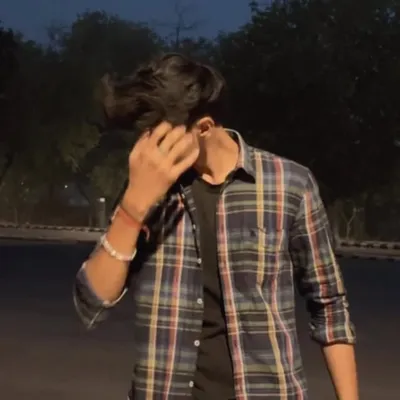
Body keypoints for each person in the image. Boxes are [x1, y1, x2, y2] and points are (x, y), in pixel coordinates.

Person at [73, 53, 358, 400]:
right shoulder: (145, 187)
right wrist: (133, 206)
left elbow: (329, 304)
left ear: (204, 127)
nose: (147, 149)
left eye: (159, 137)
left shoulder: (290, 185)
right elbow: (92, 302)